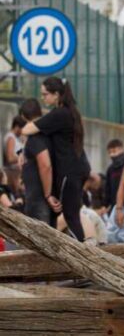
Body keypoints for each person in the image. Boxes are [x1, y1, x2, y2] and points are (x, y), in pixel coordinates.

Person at [21, 77, 90, 242]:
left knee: (70, 215)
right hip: (78, 169)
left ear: (56, 94)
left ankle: (83, 255)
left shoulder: (59, 114)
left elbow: (28, 128)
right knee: (72, 214)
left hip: (69, 171)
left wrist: (24, 145)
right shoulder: (70, 112)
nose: (43, 98)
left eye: (45, 94)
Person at [18, 99, 55, 226]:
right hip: (40, 194)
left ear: (24, 116)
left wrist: (47, 193)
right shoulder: (48, 133)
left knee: (40, 237)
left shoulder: (35, 138)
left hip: (38, 197)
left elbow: (45, 165)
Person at [104, 139, 124, 211]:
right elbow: (108, 190)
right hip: (115, 207)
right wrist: (105, 206)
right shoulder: (110, 169)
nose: (112, 155)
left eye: (114, 151)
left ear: (122, 149)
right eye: (110, 152)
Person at [3, 116, 24, 194]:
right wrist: (23, 157)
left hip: (17, 174)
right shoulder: (11, 138)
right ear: (17, 127)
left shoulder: (16, 138)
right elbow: (10, 158)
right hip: (13, 174)